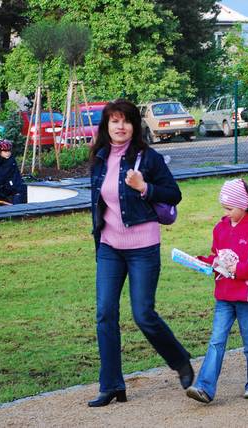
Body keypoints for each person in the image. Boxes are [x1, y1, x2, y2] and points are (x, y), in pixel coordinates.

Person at [88, 99, 193, 407]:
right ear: (107, 126)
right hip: (109, 247)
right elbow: (98, 203)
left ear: (135, 125)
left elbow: (174, 194)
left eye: (126, 121)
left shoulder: (148, 158)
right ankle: (111, 385)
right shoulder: (99, 158)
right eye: (114, 121)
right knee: (105, 313)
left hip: (143, 248)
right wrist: (99, 237)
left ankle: (180, 361)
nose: (120, 126)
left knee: (143, 314)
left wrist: (145, 187)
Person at [185, 178, 248, 404]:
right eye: (224, 208)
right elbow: (218, 257)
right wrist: (204, 262)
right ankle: (204, 387)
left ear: (244, 205)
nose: (225, 213)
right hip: (224, 296)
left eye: (229, 208)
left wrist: (241, 270)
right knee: (216, 341)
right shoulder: (220, 228)